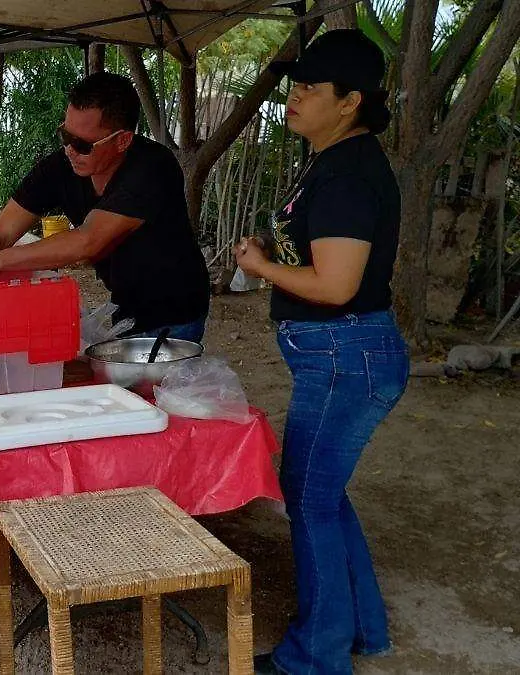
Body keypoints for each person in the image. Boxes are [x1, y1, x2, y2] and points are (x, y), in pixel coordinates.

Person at [234, 30, 407, 675]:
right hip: (342, 354)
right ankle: (362, 628)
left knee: (308, 500)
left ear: (350, 101)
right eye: (294, 85)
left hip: (346, 356)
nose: (294, 97)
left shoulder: (347, 174)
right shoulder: (335, 162)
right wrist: (276, 260)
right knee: (322, 496)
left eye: (310, 88)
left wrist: (261, 266)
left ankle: (316, 658)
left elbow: (336, 286)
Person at [0, 72, 211, 343]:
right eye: (65, 135)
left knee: (160, 386)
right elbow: (3, 231)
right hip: (124, 305)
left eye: (82, 144)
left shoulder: (153, 168)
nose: (69, 150)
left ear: (122, 140)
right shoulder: (59, 167)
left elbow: (87, 241)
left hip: (176, 313)